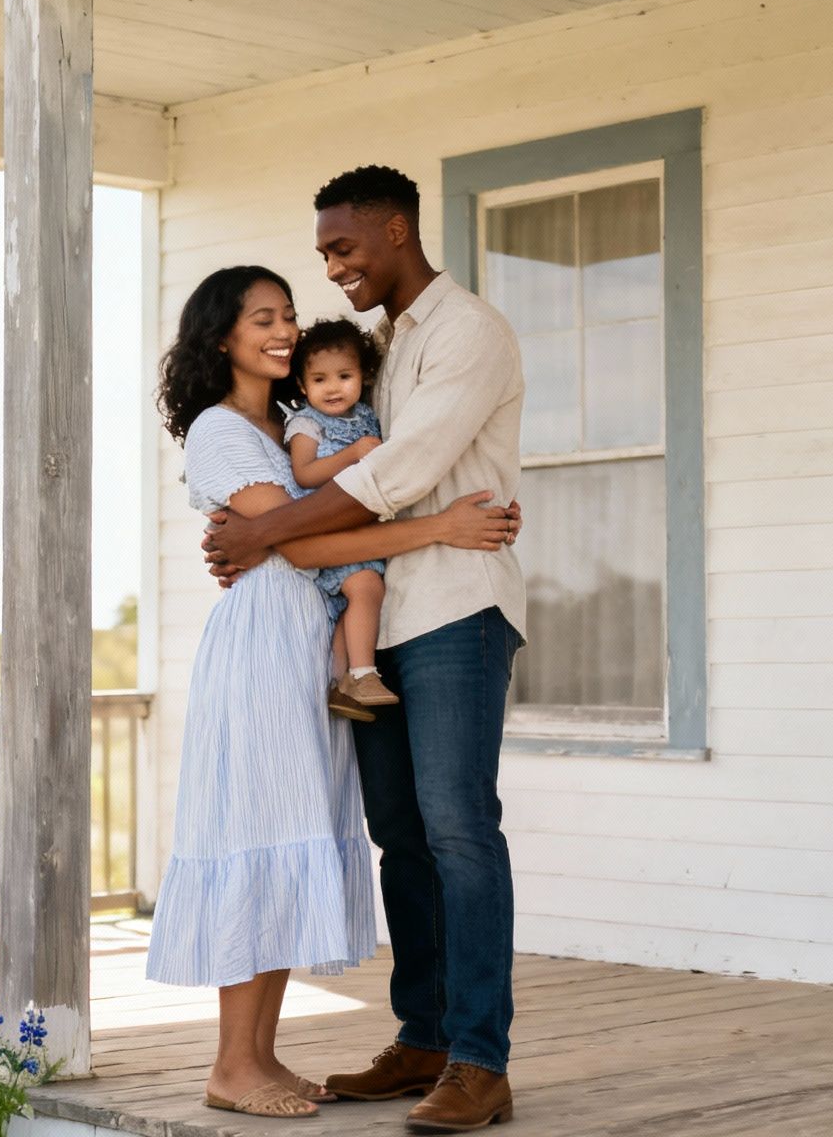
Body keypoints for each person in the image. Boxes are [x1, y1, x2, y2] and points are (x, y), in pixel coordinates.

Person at [144, 264, 514, 1122]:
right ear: (221, 337)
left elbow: (316, 521)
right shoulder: (219, 432)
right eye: (260, 319)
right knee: (258, 835)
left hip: (306, 651)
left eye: (286, 316)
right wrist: (445, 526)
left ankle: (258, 1056)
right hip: (263, 649)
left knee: (287, 839)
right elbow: (308, 547)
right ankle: (232, 1064)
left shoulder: (289, 422)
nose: (282, 331)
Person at [282, 318, 395, 722]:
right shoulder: (307, 423)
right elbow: (304, 473)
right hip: (329, 524)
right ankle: (364, 674)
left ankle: (341, 680)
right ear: (302, 384)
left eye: (344, 376)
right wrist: (352, 454)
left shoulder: (365, 416)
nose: (333, 388)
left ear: (362, 377)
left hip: (360, 525)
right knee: (366, 587)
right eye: (320, 379)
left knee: (354, 601)